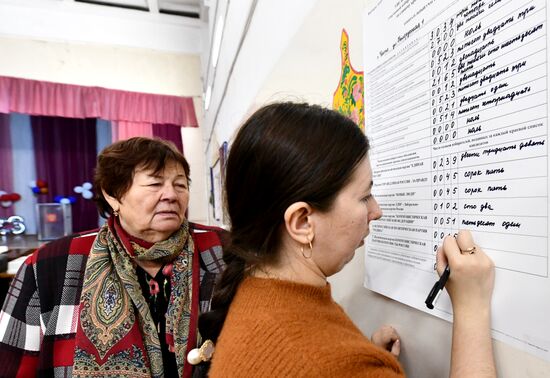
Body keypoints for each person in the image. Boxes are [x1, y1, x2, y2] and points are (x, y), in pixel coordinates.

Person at [199, 102, 496, 377]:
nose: (376, 211)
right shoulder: (332, 364)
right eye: (365, 196)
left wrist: (363, 353)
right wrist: (472, 307)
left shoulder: (253, 291)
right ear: (302, 222)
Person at [0, 137, 226, 377]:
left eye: (180, 185)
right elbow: (11, 362)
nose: (171, 195)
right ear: (112, 194)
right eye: (154, 184)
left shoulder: (222, 250)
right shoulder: (52, 263)